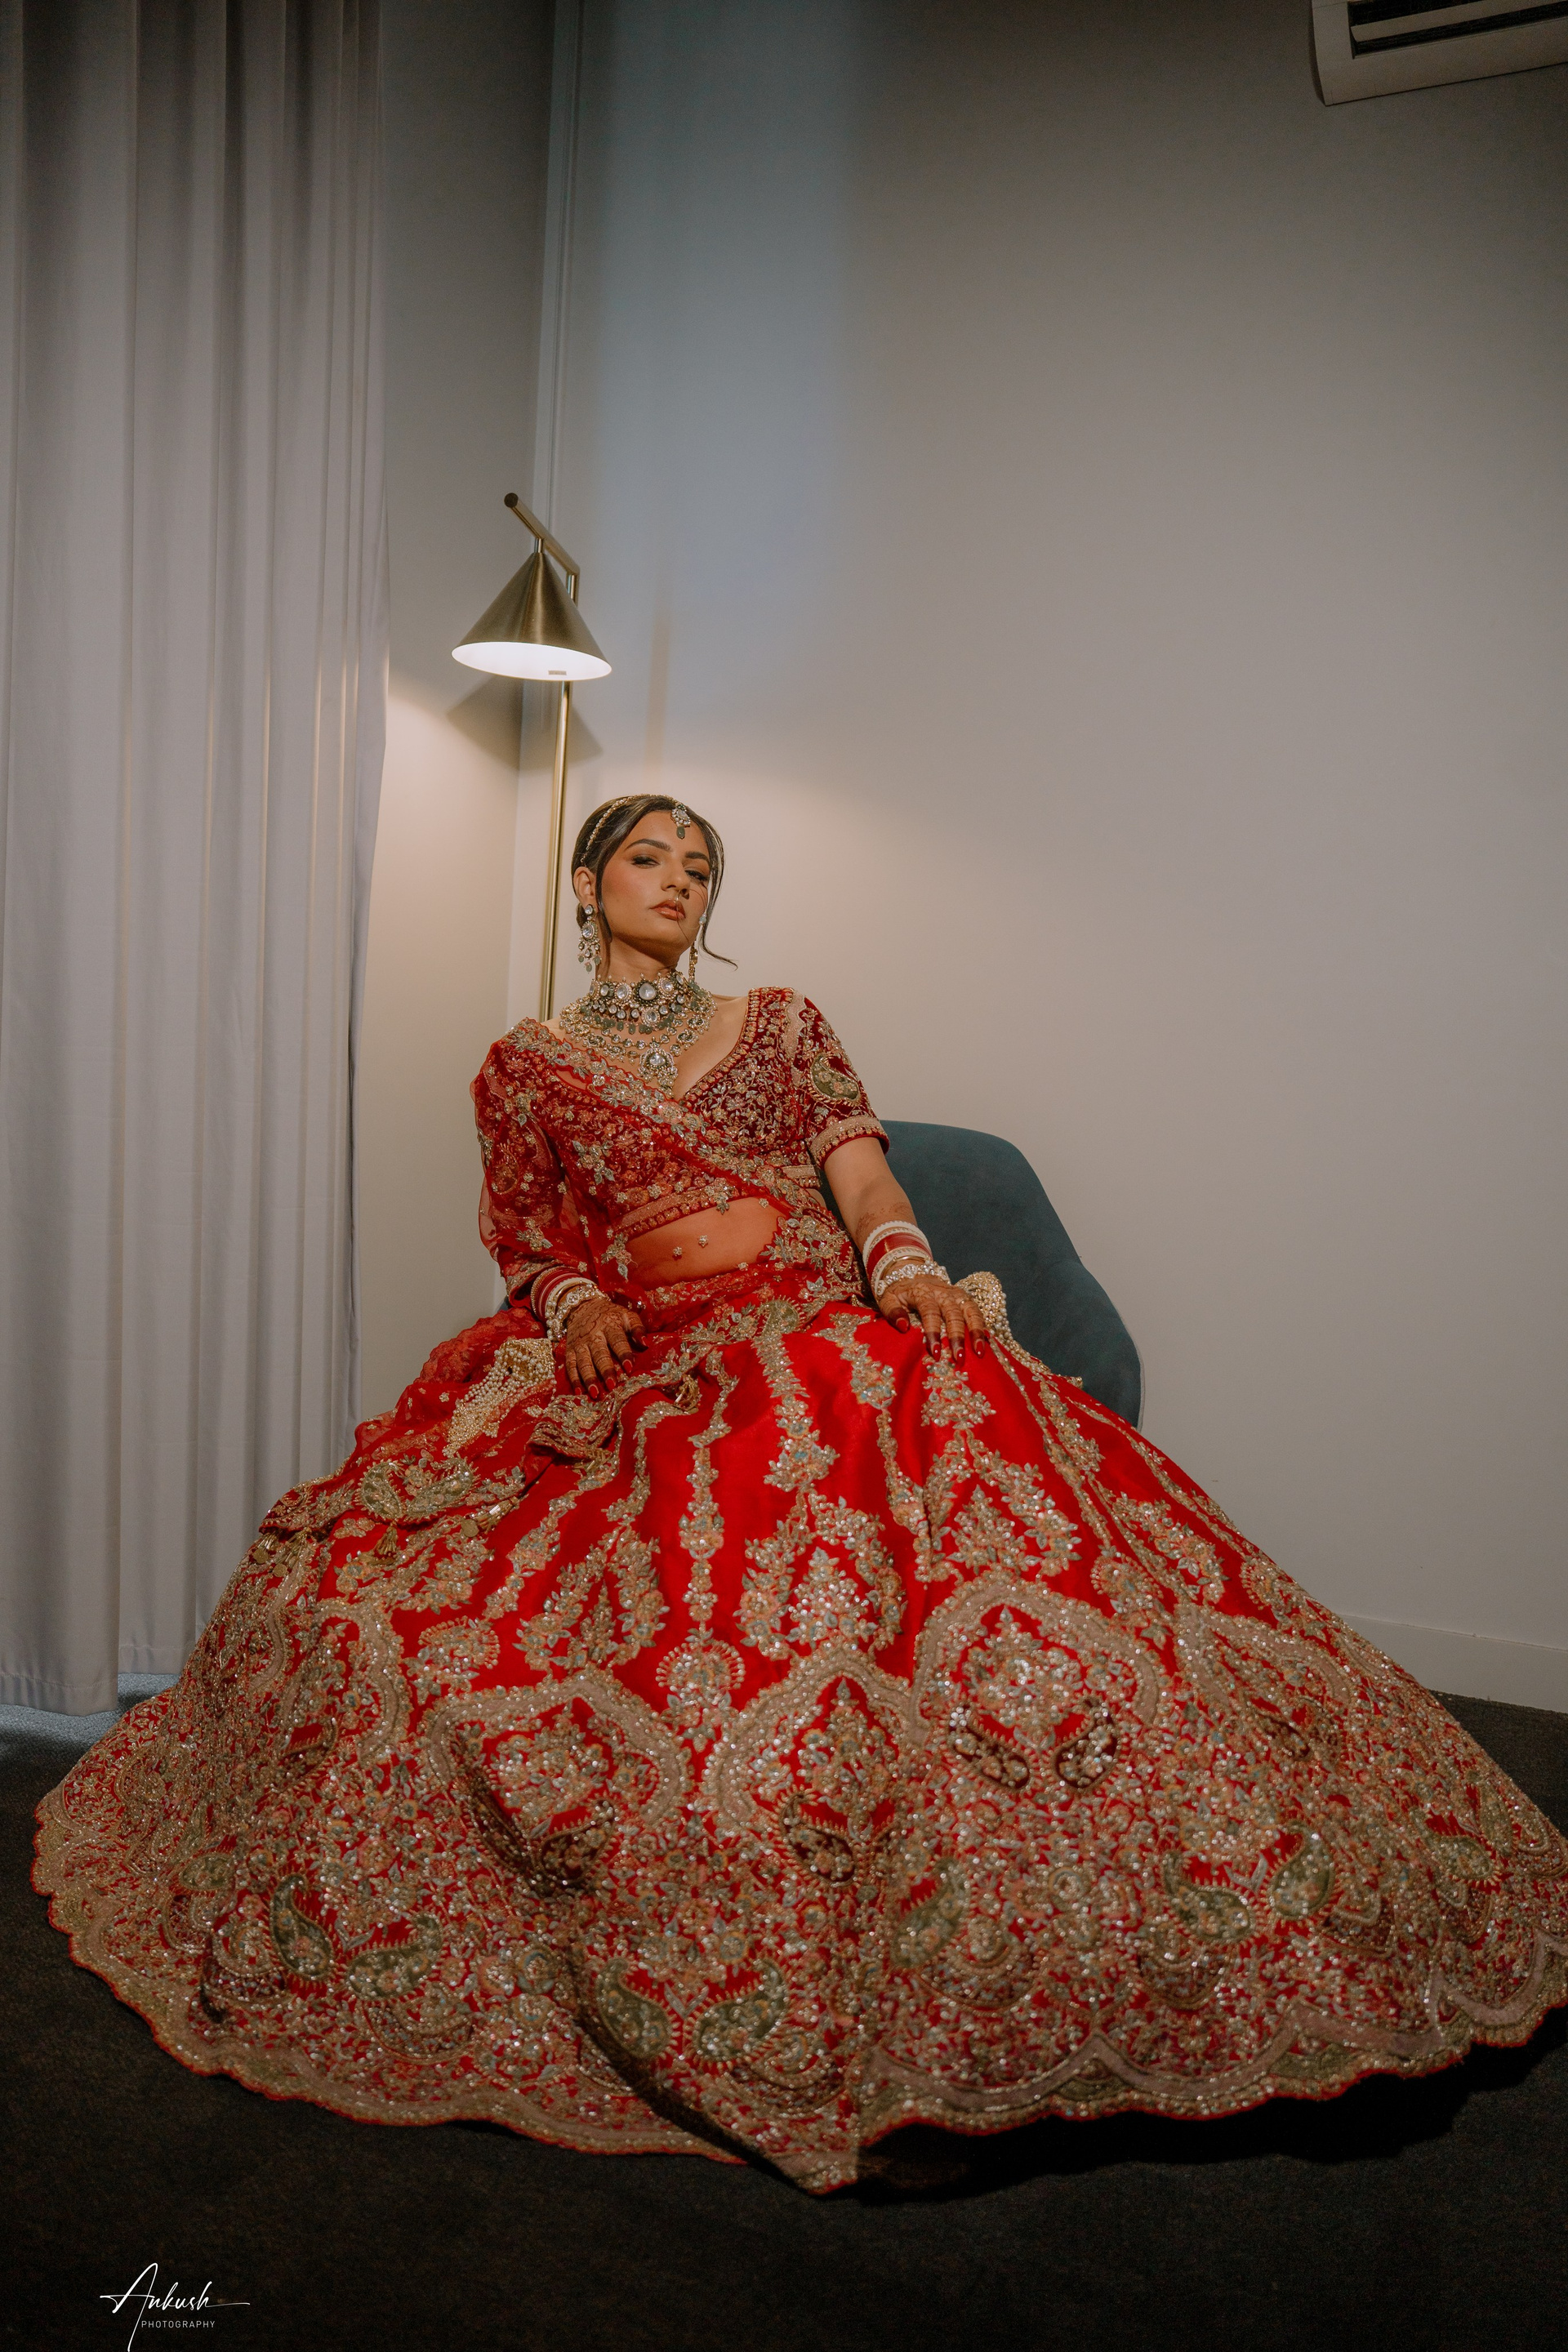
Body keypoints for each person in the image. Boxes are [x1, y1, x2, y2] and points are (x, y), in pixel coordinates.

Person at [35, 793, 1568, 2194]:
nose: (680, 883)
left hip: (809, 1315)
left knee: (939, 1502)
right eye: (651, 858)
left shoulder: (780, 1022)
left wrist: (902, 1270)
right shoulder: (526, 1061)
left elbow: (861, 1172)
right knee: (403, 1592)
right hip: (640, 1344)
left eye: (702, 867)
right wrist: (574, 1305)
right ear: (588, 882)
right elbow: (526, 1234)